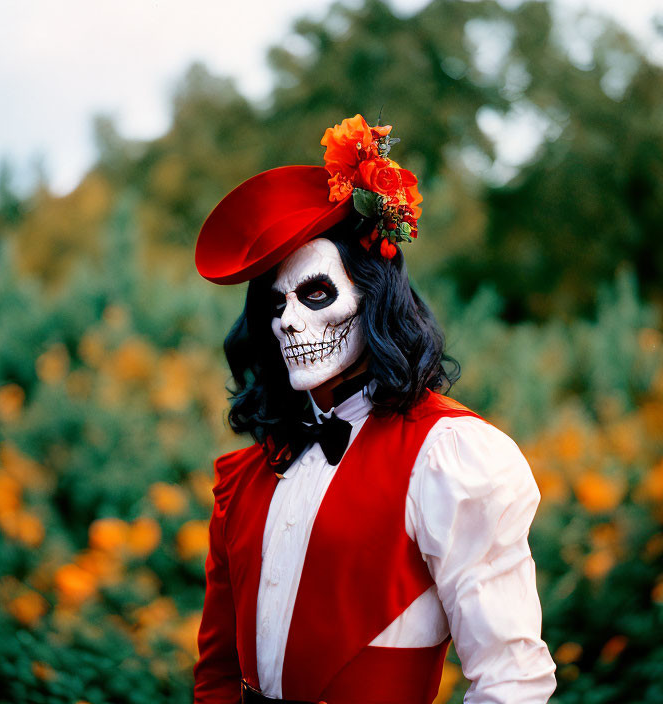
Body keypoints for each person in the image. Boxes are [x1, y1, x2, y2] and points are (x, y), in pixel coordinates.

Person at [193, 114, 556, 704]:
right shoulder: (248, 477)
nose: (289, 321)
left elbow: (512, 678)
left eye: (315, 293)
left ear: (373, 294)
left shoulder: (450, 458)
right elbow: (215, 676)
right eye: (273, 304)